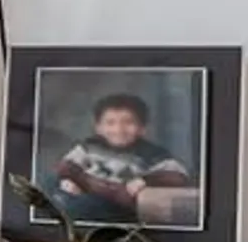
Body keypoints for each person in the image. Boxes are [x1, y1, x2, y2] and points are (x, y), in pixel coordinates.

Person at [45, 89, 195, 225]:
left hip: (118, 205)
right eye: (110, 123)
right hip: (86, 191)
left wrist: (145, 180)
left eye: (128, 123)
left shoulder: (151, 153)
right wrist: (68, 181)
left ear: (142, 128)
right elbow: (66, 166)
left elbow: (179, 175)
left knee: (81, 206)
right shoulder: (90, 146)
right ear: (98, 128)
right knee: (50, 181)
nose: (119, 129)